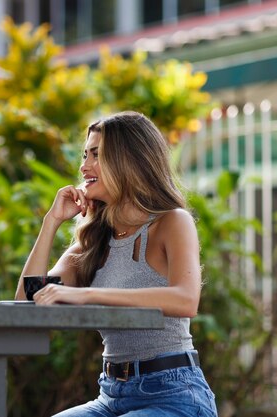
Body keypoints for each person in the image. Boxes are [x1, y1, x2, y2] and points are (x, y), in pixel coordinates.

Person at [15, 111, 218, 416]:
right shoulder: (93, 242)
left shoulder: (171, 223)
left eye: (96, 154)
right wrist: (51, 222)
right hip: (111, 395)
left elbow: (186, 299)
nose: (84, 167)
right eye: (85, 155)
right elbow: (27, 301)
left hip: (174, 393)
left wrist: (87, 295)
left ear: (128, 160)